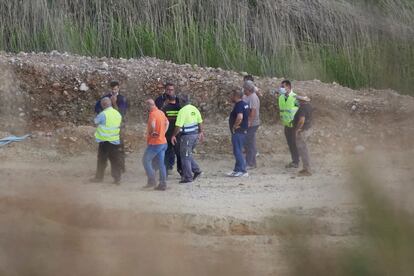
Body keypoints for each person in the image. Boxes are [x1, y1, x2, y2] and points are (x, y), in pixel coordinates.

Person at [95, 80, 128, 172]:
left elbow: (121, 113)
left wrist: (114, 103)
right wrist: (102, 114)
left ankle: (121, 167)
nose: (114, 91)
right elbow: (97, 107)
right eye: (113, 89)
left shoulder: (121, 98)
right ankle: (101, 170)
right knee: (103, 151)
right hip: (106, 128)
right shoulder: (106, 97)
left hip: (118, 127)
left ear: (118, 88)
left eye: (116, 89)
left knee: (119, 148)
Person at [171, 95, 203, 184]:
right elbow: (200, 121)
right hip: (195, 135)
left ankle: (188, 177)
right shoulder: (194, 109)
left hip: (187, 136)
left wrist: (173, 135)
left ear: (182, 102)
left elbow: (178, 126)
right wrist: (201, 132)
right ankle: (196, 170)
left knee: (184, 156)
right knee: (187, 154)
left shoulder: (182, 111)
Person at [90, 97, 123, 185]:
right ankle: (117, 178)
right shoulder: (117, 113)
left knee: (101, 160)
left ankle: (99, 177)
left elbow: (95, 122)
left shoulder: (103, 114)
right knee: (115, 160)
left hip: (105, 141)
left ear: (103, 105)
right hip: (115, 140)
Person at [142, 99, 169, 191]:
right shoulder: (161, 112)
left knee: (145, 160)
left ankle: (151, 180)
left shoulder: (152, 114)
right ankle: (163, 184)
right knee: (161, 164)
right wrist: (163, 133)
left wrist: (153, 131)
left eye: (146, 106)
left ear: (149, 105)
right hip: (163, 142)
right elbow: (167, 123)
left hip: (155, 143)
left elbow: (153, 123)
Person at [227, 89, 250, 177]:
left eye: (232, 95)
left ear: (236, 96)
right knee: (238, 150)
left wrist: (234, 126)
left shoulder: (239, 105)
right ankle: (237, 169)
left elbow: (240, 117)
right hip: (242, 131)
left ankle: (243, 171)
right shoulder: (244, 104)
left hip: (238, 132)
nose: (230, 97)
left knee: (237, 151)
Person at [278, 80, 300, 168]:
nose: (281, 89)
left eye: (283, 87)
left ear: (289, 87)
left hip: (294, 125)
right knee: (290, 144)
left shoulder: (295, 97)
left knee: (295, 144)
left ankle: (296, 161)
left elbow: (299, 111)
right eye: (281, 87)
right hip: (286, 125)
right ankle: (295, 160)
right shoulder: (281, 97)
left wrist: (298, 126)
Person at [162, 94, 182, 175]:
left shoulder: (165, 109)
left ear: (167, 100)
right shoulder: (180, 108)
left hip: (167, 134)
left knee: (167, 152)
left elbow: (163, 121)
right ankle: (181, 171)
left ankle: (166, 170)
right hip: (177, 134)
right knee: (178, 153)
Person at [243, 80, 260, 170]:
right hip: (249, 123)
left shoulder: (253, 97)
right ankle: (252, 163)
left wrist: (249, 122)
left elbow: (253, 111)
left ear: (248, 89)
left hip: (253, 124)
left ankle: (249, 163)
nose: (243, 90)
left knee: (248, 142)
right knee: (251, 143)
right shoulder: (247, 96)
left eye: (244, 88)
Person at [294, 95, 313, 176]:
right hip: (308, 129)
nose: (297, 101)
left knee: (303, 150)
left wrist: (297, 129)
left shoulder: (302, 108)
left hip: (303, 131)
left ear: (301, 101)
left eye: (298, 100)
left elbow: (302, 120)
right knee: (305, 149)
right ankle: (306, 168)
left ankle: (307, 170)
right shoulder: (309, 106)